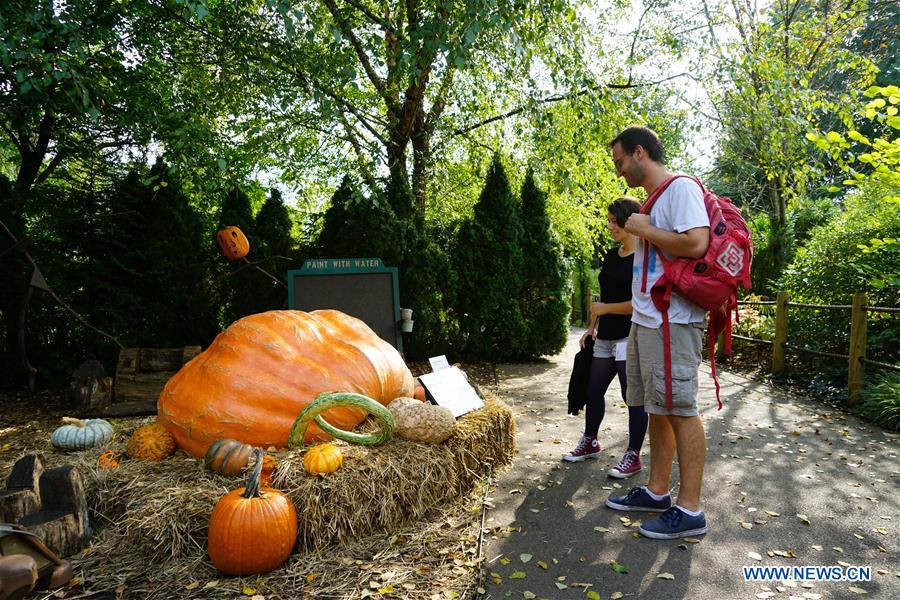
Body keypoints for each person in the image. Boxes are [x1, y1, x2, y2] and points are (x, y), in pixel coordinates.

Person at [604, 126, 711, 540]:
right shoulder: (655, 199)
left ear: (639, 152)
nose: (619, 171)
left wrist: (641, 227)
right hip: (648, 321)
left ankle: (691, 511)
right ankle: (658, 491)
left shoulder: (680, 188)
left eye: (620, 162)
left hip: (673, 320)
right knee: (658, 408)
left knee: (681, 408)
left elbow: (697, 244)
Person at [563, 197, 648, 480]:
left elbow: (639, 303)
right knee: (592, 390)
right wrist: (591, 326)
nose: (610, 226)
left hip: (629, 337)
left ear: (630, 221)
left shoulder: (644, 259)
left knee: (631, 397)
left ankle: (633, 454)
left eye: (615, 221)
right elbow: (603, 297)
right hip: (605, 337)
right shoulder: (612, 256)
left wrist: (605, 309)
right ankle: (591, 440)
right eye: (609, 221)